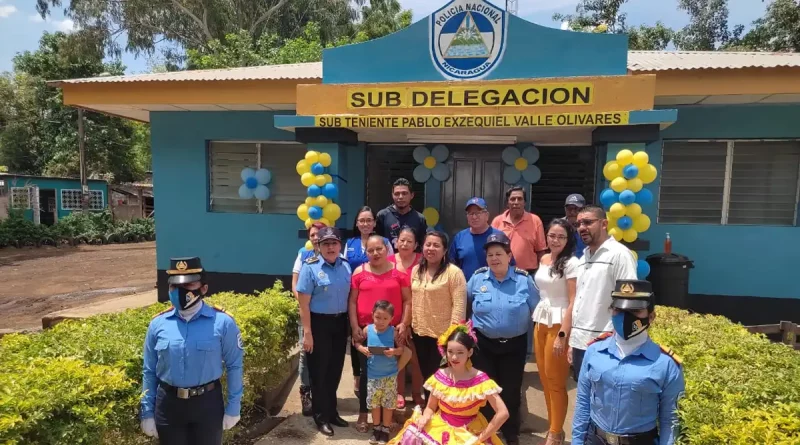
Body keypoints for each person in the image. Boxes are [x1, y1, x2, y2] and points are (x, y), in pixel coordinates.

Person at [140, 257, 244, 444]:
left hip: (207, 405)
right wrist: (147, 412)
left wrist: (233, 407)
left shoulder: (223, 323)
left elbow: (234, 366)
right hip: (168, 406)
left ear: (203, 288)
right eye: (175, 286)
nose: (180, 291)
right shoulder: (158, 324)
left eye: (188, 285)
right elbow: (149, 370)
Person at [572, 280, 685, 445]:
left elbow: (670, 419)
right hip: (595, 439)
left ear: (651, 316)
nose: (625, 317)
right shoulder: (594, 352)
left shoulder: (666, 363)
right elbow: (583, 403)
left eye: (635, 311)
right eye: (618, 309)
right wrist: (576, 441)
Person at [467, 232, 539, 445]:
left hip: (514, 345)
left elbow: (537, 312)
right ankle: (488, 431)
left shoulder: (524, 280)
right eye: (490, 255)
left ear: (509, 256)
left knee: (511, 389)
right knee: (486, 390)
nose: (494, 258)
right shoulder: (477, 278)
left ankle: (510, 431)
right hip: (484, 344)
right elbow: (465, 307)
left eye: (499, 253)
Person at [389, 323, 509, 445]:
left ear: (470, 352)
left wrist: (482, 438)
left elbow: (503, 413)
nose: (454, 357)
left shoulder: (480, 379)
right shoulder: (441, 375)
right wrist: (425, 417)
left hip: (470, 431)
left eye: (460, 352)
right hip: (441, 426)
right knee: (411, 435)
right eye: (450, 351)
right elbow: (431, 407)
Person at [349, 234, 412, 434]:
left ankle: (387, 416)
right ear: (365, 252)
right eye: (370, 250)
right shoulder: (359, 272)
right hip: (366, 331)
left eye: (379, 249)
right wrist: (354, 327)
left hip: (392, 331)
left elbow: (407, 300)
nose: (375, 253)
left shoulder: (399, 273)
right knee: (366, 374)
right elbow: (352, 301)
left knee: (390, 372)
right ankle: (363, 413)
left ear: (386, 250)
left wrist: (404, 323)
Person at [568, 205, 637, 382]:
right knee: (584, 399)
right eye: (579, 224)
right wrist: (572, 342)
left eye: (588, 222)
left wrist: (616, 341)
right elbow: (581, 302)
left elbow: (628, 301)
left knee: (604, 402)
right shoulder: (584, 257)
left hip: (606, 344)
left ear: (604, 223)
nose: (582, 227)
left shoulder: (619, 255)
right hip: (581, 343)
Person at [296, 227, 353, 437]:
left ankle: (332, 412)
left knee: (335, 370)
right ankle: (320, 417)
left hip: (340, 324)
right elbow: (303, 305)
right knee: (318, 372)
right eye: (325, 243)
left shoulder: (346, 267)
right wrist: (307, 333)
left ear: (340, 245)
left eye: (334, 243)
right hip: (318, 325)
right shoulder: (309, 268)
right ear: (318, 247)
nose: (330, 247)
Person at [533, 219, 581, 445]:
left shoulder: (572, 263)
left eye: (561, 236)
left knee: (556, 381)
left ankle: (555, 432)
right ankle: (554, 428)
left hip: (559, 323)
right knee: (544, 378)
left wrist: (563, 335)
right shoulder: (543, 259)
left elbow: (573, 301)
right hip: (540, 321)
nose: (555, 240)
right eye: (552, 235)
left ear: (568, 239)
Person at [346, 207, 394, 399]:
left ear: (374, 223)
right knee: (356, 340)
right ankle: (358, 376)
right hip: (356, 292)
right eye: (361, 220)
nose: (365, 224)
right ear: (356, 224)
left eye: (369, 220)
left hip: (380, 296)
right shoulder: (349, 243)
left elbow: (391, 267)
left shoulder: (385, 243)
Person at [411, 231, 467, 389]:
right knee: (427, 376)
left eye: (436, 245)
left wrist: (452, 336)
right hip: (420, 333)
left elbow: (459, 306)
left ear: (444, 250)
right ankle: (429, 410)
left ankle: (443, 412)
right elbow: (412, 299)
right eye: (428, 244)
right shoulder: (416, 271)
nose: (431, 248)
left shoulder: (454, 273)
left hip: (443, 336)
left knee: (442, 377)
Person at [353, 300, 413, 445]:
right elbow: (356, 343)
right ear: (372, 315)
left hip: (389, 377)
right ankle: (376, 429)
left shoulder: (393, 332)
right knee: (374, 405)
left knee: (387, 405)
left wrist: (394, 351)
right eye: (378, 317)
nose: (381, 321)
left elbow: (402, 349)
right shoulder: (368, 330)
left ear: (391, 319)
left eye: (385, 318)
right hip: (373, 377)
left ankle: (385, 429)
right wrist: (362, 349)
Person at [291, 222, 327, 417]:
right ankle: (306, 393)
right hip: (307, 313)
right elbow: (295, 284)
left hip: (326, 316)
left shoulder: (333, 255)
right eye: (312, 234)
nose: (315, 237)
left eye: (319, 234)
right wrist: (306, 304)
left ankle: (323, 393)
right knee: (306, 353)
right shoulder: (303, 255)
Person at [387, 226, 425, 409]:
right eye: (402, 240)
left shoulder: (423, 261)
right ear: (396, 242)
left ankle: (417, 392)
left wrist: (408, 322)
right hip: (394, 317)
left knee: (417, 357)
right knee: (398, 355)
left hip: (419, 315)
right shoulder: (387, 262)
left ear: (416, 244)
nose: (405, 243)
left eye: (409, 241)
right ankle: (399, 392)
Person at [450, 197, 511, 279]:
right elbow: (451, 266)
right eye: (471, 214)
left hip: (494, 288)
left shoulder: (499, 236)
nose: (474, 217)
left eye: (478, 213)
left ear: (487, 215)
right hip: (466, 288)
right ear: (467, 217)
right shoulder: (459, 237)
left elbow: (510, 264)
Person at [491, 186, 547, 274]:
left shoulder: (535, 220)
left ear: (524, 202)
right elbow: (491, 249)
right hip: (503, 273)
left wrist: (543, 273)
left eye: (520, 199)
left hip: (528, 274)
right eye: (513, 199)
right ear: (507, 203)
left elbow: (541, 251)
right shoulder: (497, 221)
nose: (516, 202)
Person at [376, 178, 427, 251]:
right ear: (392, 195)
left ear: (412, 195)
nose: (400, 197)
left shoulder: (420, 218)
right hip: (388, 261)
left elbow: (422, 245)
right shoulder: (382, 216)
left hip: (413, 261)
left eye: (404, 193)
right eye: (397, 194)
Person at [564, 194, 587, 259]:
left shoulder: (589, 227)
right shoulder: (559, 227)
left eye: (576, 208)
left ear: (583, 210)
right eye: (569, 209)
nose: (572, 212)